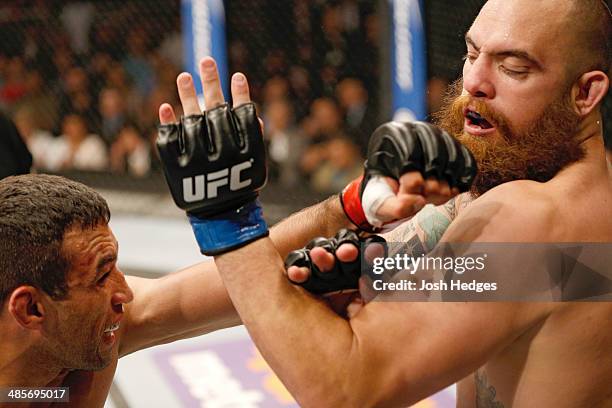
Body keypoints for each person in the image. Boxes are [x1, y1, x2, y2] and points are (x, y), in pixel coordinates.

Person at [156, 0, 612, 406]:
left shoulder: (535, 217)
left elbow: (344, 388)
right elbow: (288, 284)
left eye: (513, 67)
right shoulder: (516, 200)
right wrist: (352, 214)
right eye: (472, 54)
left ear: (585, 93)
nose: (473, 82)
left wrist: (228, 219)